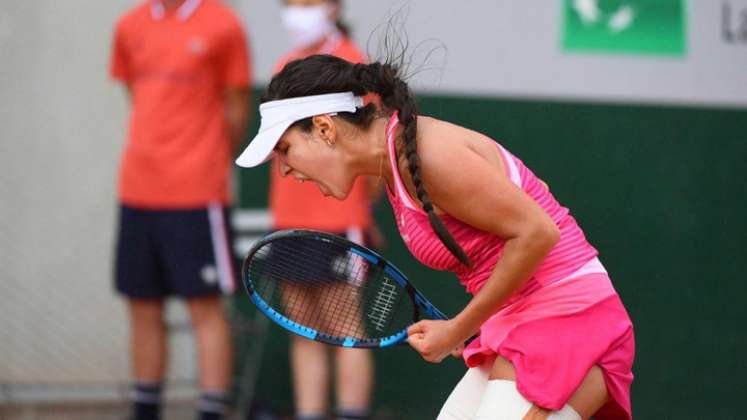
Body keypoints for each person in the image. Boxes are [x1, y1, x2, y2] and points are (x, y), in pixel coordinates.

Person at [234, 54, 635, 420]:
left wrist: (459, 328)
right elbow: (534, 196)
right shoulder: (395, 165)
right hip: (524, 323)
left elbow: (538, 230)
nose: (284, 170)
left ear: (324, 128)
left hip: (570, 320)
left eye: (285, 149)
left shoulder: (421, 156)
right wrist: (477, 321)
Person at [109, 1, 251, 419]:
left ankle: (211, 408)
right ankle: (145, 407)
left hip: (196, 194)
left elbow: (237, 105)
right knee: (141, 302)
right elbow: (134, 92)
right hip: (137, 189)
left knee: (205, 305)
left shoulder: (223, 23)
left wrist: (203, 159)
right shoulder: (129, 25)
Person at [269, 1, 377, 420]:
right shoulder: (285, 64)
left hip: (339, 222)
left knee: (347, 330)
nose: (298, 11)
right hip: (288, 220)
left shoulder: (354, 64)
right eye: (291, 3)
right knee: (303, 331)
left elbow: (373, 150)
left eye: (308, 2)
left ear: (333, 7)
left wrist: (360, 214)